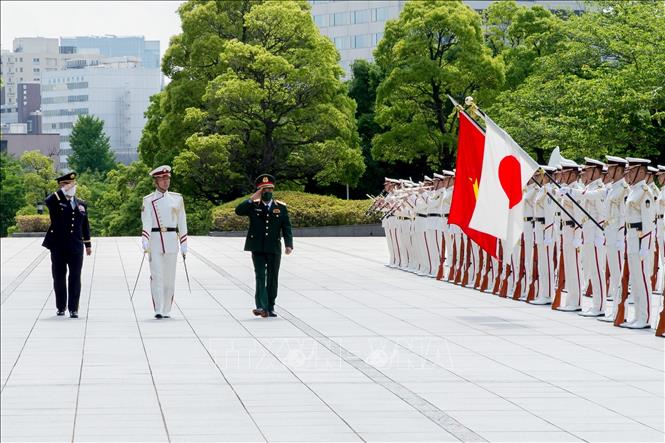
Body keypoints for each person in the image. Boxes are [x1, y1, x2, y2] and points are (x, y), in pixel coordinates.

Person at [235, 174, 293, 318]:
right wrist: (251, 198)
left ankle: (270, 306)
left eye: (269, 189)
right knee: (260, 276)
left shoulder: (280, 207)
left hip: (273, 247)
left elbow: (287, 227)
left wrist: (288, 244)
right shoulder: (253, 205)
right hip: (257, 247)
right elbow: (238, 211)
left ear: (273, 190)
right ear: (259, 191)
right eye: (263, 190)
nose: (267, 192)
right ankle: (261, 306)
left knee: (273, 277)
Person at [141, 165, 188, 319]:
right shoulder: (148, 200)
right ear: (156, 181)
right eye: (162, 179)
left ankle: (167, 308)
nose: (166, 181)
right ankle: (158, 308)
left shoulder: (177, 198)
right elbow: (146, 220)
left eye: (167, 178)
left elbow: (182, 221)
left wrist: (184, 242)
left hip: (171, 240)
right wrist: (145, 239)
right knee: (157, 275)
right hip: (155, 240)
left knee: (169, 277)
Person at [42, 171, 92, 318]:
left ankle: (74, 308)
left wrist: (88, 244)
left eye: (72, 184)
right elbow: (48, 200)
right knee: (59, 277)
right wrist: (63, 191)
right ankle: (61, 307)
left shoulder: (81, 203)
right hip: (58, 246)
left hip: (76, 247)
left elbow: (85, 225)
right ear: (61, 186)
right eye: (66, 184)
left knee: (75, 277)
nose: (70, 186)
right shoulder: (56, 202)